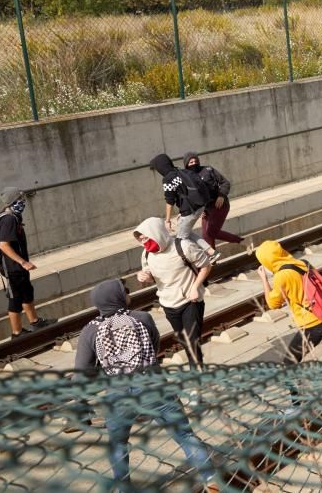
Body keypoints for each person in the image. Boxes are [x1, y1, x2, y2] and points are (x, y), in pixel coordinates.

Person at [74, 279, 218, 492]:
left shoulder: (90, 330)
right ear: (117, 297)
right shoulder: (142, 318)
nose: (128, 294)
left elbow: (82, 373)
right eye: (125, 291)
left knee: (118, 444)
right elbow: (155, 344)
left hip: (118, 394)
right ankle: (211, 479)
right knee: (185, 435)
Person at [134, 216, 212, 370]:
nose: (144, 242)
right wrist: (144, 277)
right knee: (184, 341)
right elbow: (150, 275)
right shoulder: (147, 254)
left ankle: (197, 376)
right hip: (168, 303)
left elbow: (206, 265)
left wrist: (195, 287)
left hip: (190, 301)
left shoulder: (183, 246)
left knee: (192, 342)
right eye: (141, 239)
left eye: (146, 238)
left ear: (156, 233)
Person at [0, 187, 56, 338]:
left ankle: (35, 322)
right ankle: (17, 333)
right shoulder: (8, 219)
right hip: (12, 267)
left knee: (27, 292)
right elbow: (3, 245)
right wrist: (23, 262)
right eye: (20, 199)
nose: (23, 201)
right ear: (12, 201)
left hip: (19, 266)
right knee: (15, 299)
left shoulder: (14, 217)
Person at [149, 153, 218, 260]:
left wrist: (167, 220)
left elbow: (170, 200)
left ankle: (201, 259)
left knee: (181, 240)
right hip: (198, 206)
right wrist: (182, 212)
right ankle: (211, 252)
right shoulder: (181, 171)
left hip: (190, 210)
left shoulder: (168, 179)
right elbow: (185, 191)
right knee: (187, 233)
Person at [182, 151, 244, 250]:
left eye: (195, 161)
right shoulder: (187, 178)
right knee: (206, 235)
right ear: (186, 164)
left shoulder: (208, 170)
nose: (194, 164)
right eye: (191, 162)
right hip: (205, 210)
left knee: (211, 232)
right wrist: (197, 210)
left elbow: (225, 183)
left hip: (219, 205)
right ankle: (213, 256)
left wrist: (221, 195)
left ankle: (241, 241)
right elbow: (190, 197)